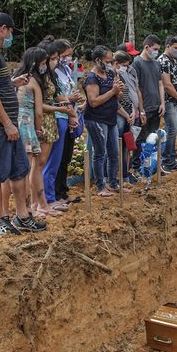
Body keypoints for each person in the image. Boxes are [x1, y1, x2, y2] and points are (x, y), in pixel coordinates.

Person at [0, 12, 43, 234]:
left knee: (19, 169)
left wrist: (12, 82)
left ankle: (22, 216)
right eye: (11, 31)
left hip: (8, 123)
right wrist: (6, 124)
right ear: (3, 29)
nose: (11, 35)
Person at [12, 46, 65, 218]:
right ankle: (32, 207)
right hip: (28, 125)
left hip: (16, 122)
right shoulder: (33, 82)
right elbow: (39, 112)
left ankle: (34, 206)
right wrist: (38, 128)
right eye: (43, 62)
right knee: (29, 168)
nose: (46, 65)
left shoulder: (17, 79)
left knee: (26, 168)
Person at [82, 46, 126, 196]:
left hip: (110, 118)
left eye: (111, 61)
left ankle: (113, 182)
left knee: (114, 152)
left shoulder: (110, 73)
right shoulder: (91, 78)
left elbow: (117, 97)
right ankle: (100, 186)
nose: (110, 63)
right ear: (98, 60)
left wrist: (119, 91)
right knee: (100, 153)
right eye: (108, 61)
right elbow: (93, 101)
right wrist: (112, 91)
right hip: (96, 119)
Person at [44, 39, 82, 205]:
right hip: (60, 115)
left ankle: (62, 190)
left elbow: (69, 90)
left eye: (70, 55)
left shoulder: (66, 69)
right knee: (56, 159)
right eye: (65, 55)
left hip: (70, 114)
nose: (68, 58)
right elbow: (56, 96)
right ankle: (53, 195)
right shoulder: (51, 73)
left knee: (66, 157)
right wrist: (69, 101)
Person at [130, 34, 163, 174]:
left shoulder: (156, 63)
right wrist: (141, 110)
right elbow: (136, 88)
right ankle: (137, 167)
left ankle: (152, 166)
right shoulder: (136, 63)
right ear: (146, 47)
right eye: (155, 49)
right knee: (141, 139)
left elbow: (160, 83)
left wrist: (162, 103)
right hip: (144, 108)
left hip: (156, 107)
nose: (156, 52)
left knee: (153, 138)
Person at [158, 35, 177, 172]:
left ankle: (171, 157)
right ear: (167, 46)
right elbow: (167, 84)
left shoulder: (174, 61)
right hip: (169, 100)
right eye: (175, 48)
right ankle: (166, 161)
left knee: (174, 130)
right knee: (172, 129)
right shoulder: (163, 61)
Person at [114, 50, 140, 184]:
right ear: (117, 64)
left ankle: (125, 173)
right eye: (124, 65)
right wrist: (125, 113)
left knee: (127, 144)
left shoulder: (125, 75)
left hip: (129, 112)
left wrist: (133, 110)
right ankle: (117, 175)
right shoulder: (114, 77)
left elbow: (130, 94)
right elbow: (116, 100)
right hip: (120, 114)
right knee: (118, 145)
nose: (126, 67)